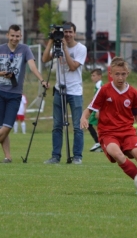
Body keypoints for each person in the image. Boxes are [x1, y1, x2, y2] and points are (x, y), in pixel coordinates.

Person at [80, 56, 137, 196]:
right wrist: (83, 118)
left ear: (127, 74)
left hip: (128, 132)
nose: (120, 77)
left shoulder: (134, 93)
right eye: (117, 74)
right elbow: (89, 109)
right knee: (117, 154)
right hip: (108, 133)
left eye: (123, 74)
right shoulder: (104, 90)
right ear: (110, 74)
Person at [0, 24, 48, 163]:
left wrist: (42, 80)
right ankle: (8, 157)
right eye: (12, 35)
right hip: (0, 92)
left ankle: (8, 156)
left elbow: (32, 66)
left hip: (15, 94)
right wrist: (2, 73)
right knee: (2, 128)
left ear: (21, 36)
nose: (15, 38)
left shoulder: (25, 49)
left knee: (7, 127)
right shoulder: (1, 48)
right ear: (8, 35)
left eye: (17, 36)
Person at [42, 21, 87, 165]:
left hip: (75, 91)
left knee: (77, 125)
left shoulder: (81, 48)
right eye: (64, 32)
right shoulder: (57, 46)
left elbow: (73, 66)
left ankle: (77, 156)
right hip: (59, 89)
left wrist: (65, 49)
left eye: (69, 32)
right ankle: (55, 156)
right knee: (57, 125)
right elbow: (44, 59)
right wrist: (51, 39)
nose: (67, 34)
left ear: (74, 33)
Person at [88, 68, 103, 152]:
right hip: (96, 108)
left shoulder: (99, 84)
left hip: (97, 109)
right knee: (99, 126)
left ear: (99, 76)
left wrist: (98, 110)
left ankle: (98, 142)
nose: (92, 77)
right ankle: (101, 143)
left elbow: (101, 97)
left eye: (94, 75)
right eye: (91, 76)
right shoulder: (98, 84)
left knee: (89, 124)